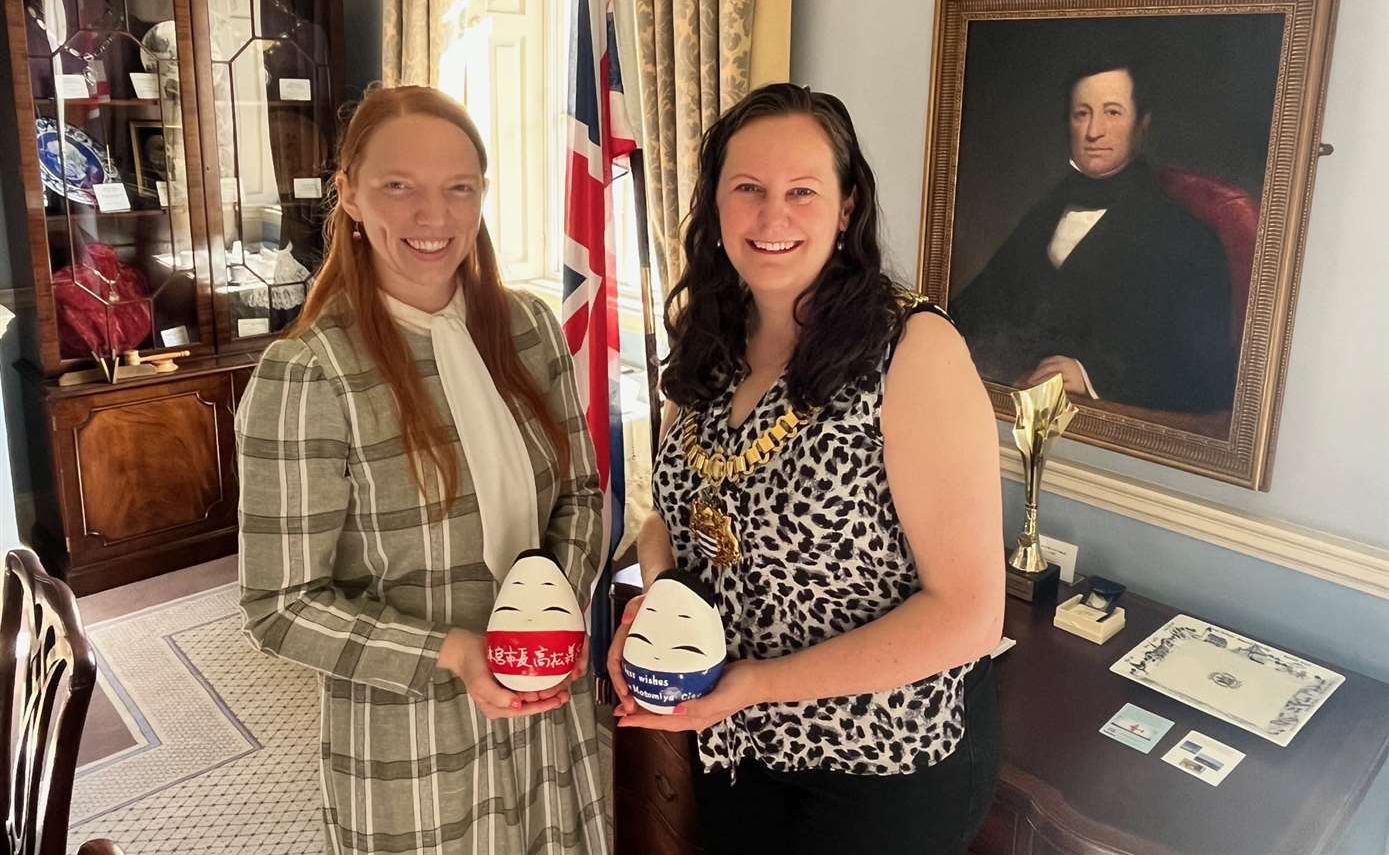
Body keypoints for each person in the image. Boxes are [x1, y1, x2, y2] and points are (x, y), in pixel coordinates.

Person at [607, 84, 1004, 854]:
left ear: (846, 207)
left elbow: (968, 615)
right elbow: (672, 517)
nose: (772, 217)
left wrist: (758, 683)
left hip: (880, 761)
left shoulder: (912, 351)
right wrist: (659, 609)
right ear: (715, 201)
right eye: (747, 189)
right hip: (734, 739)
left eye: (801, 192)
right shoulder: (707, 336)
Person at [237, 85, 609, 855]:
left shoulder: (529, 326)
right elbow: (280, 606)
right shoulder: (309, 372)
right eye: (397, 186)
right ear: (348, 195)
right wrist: (456, 653)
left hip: (546, 694)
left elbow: (577, 493)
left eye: (457, 187)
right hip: (410, 733)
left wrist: (542, 622)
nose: (431, 216)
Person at [950, 59, 1236, 414]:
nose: (1093, 131)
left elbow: (1206, 378)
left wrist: (1090, 376)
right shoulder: (1045, 213)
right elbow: (976, 308)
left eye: (1112, 113)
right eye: (1081, 114)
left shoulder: (1187, 239)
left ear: (1142, 125)